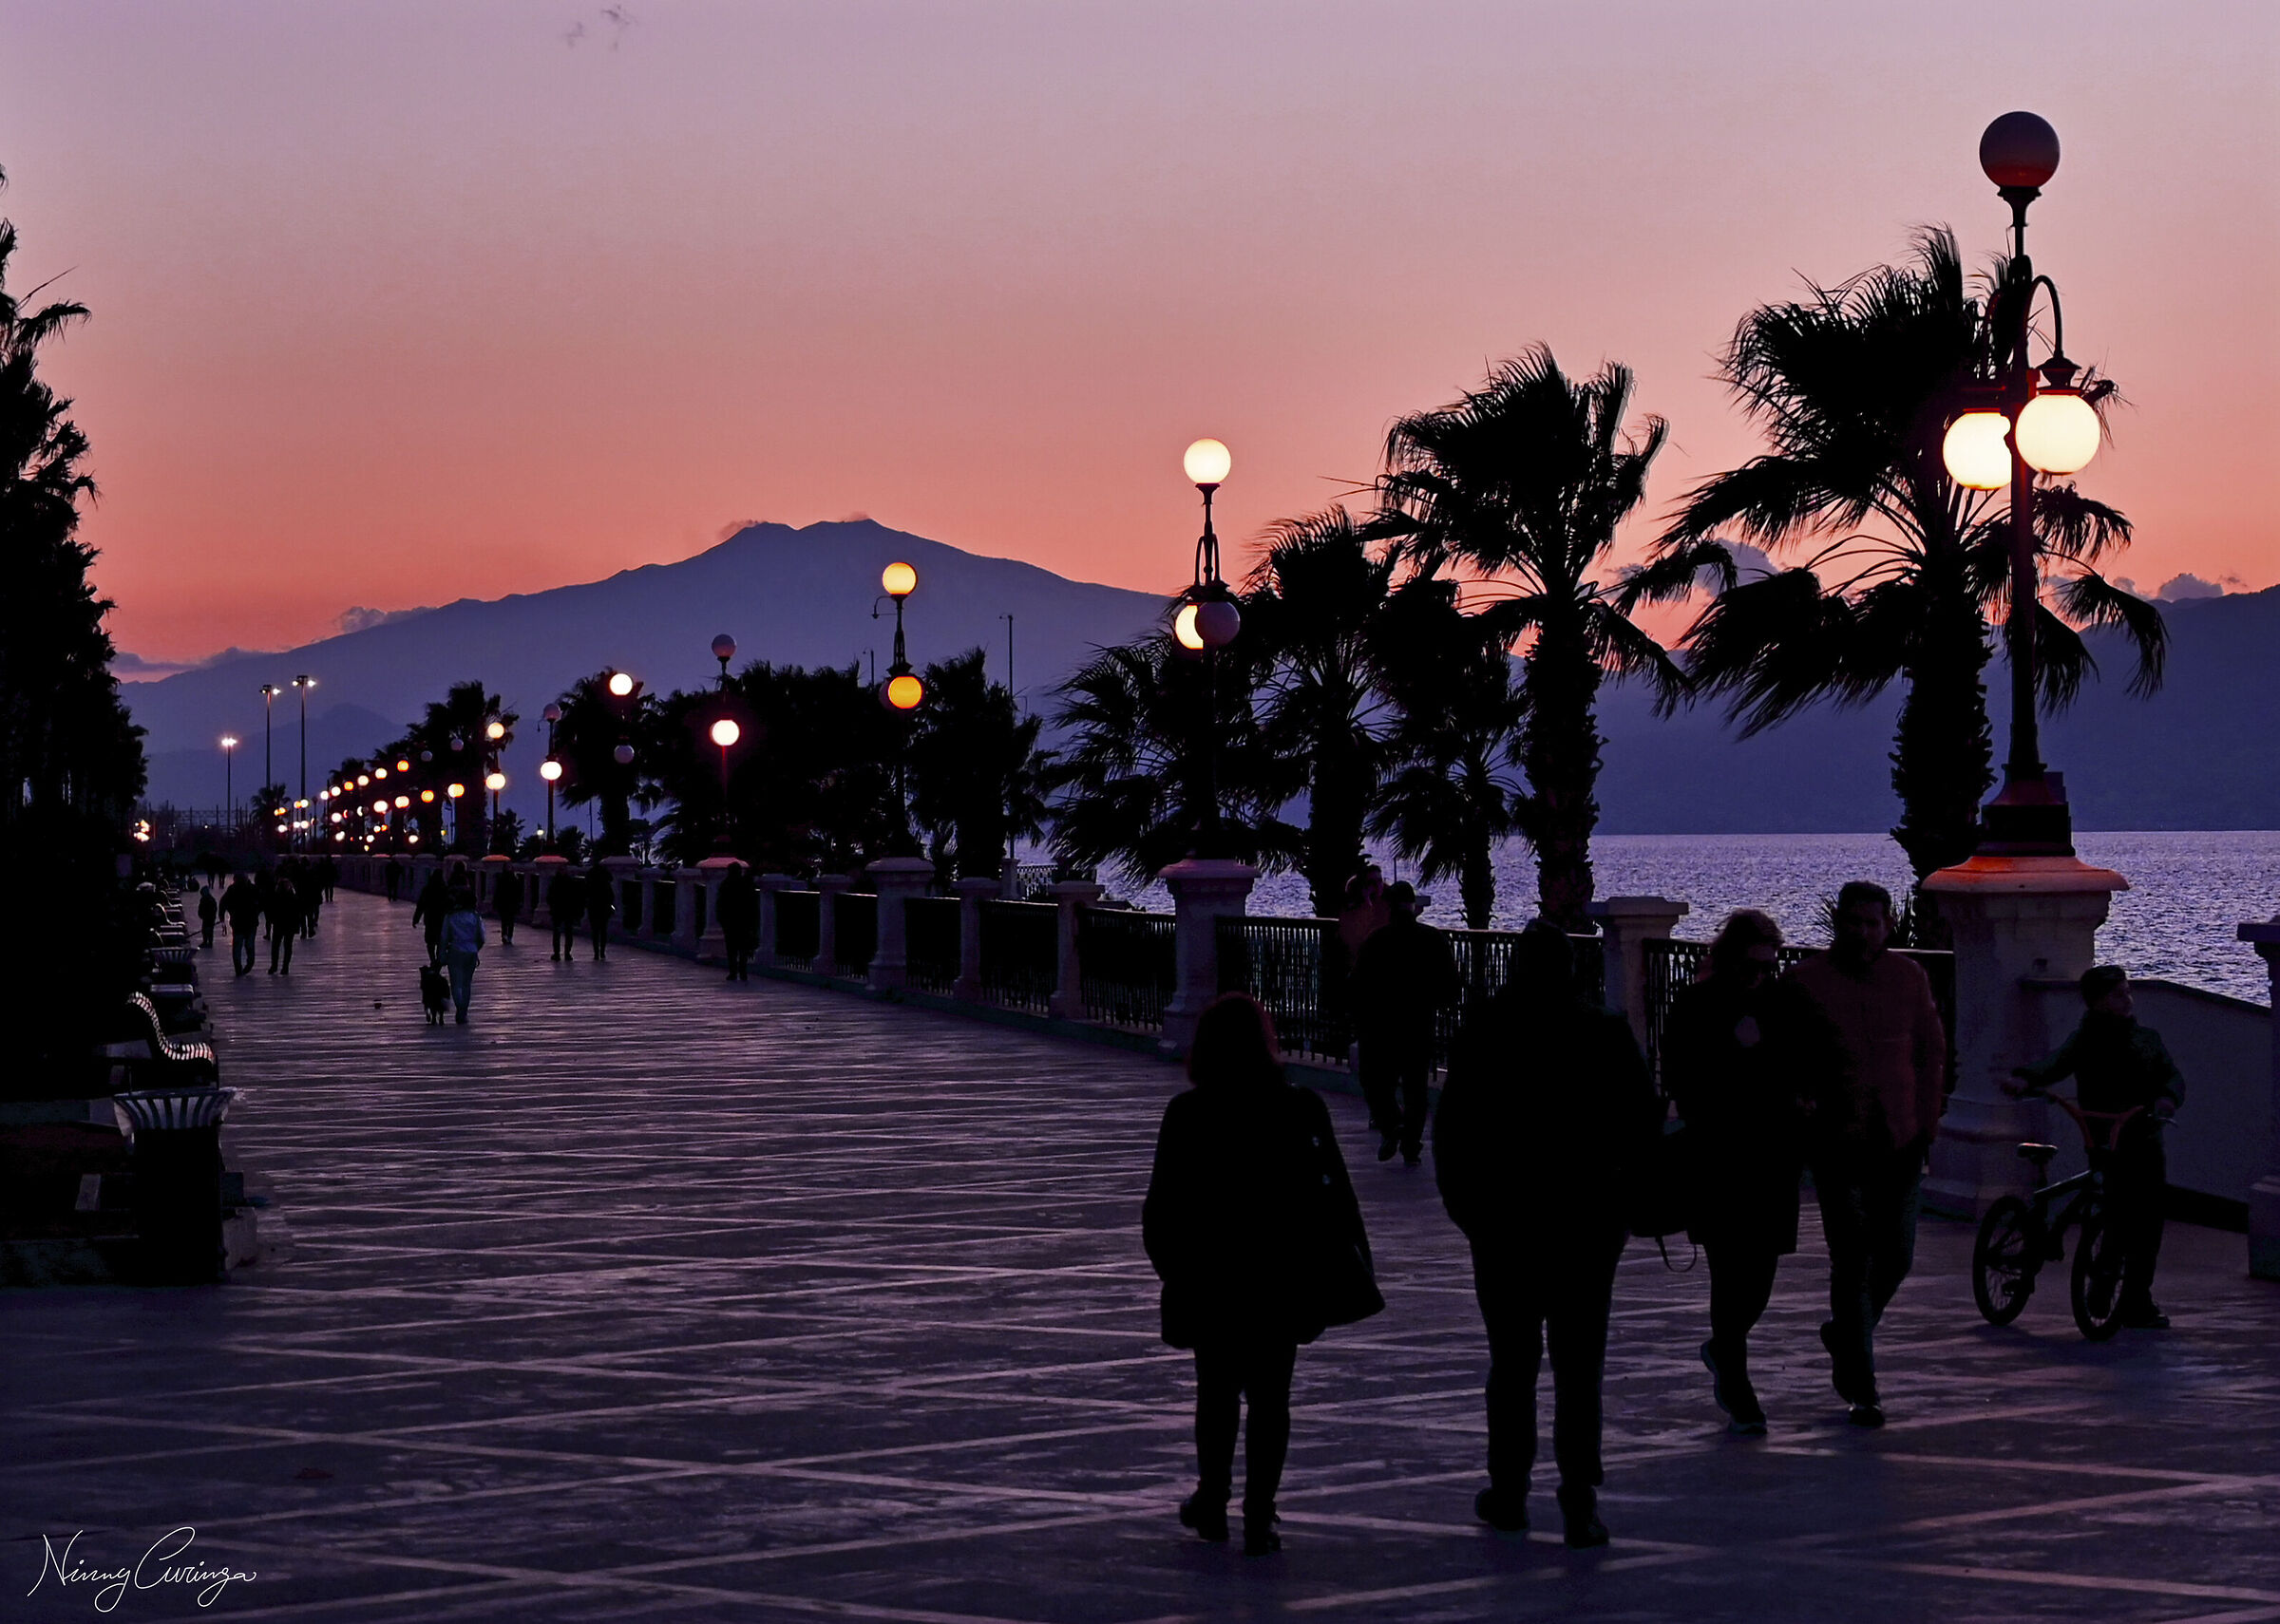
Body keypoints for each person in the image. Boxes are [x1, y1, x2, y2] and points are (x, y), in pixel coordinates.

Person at [1434, 921, 1658, 1548]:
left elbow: (1452, 1130)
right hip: (1587, 1228)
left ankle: (1508, 1491)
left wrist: (1469, 1211)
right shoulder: (1604, 1033)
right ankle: (1579, 1499)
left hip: (1504, 1227)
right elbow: (1643, 1125)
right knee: (1579, 1367)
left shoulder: (1486, 1031)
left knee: (1512, 1364)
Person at [1143, 993, 1374, 1558]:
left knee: (1215, 1393)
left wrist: (1174, 1269)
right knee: (1272, 1399)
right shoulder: (1300, 1107)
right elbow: (1333, 1196)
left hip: (1212, 1277)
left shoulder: (1188, 1113)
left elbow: (1162, 1207)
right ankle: (1260, 1514)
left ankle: (1213, 1499)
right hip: (1280, 1275)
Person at [1785, 880, 1947, 1428]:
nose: (1861, 932)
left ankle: (1846, 1335)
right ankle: (1862, 1385)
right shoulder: (1806, 982)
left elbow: (1930, 1053)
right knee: (1852, 1261)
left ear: (1889, 926)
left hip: (1899, 1138)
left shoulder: (1909, 977)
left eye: (1872, 923)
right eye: (1852, 922)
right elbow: (1783, 1052)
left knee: (1896, 1257)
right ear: (1839, 923)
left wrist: (1927, 1124)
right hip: (1837, 1140)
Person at [1662, 909, 1805, 1434]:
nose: (1759, 975)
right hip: (1719, 1156)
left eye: (1767, 965)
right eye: (1751, 965)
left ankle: (1724, 1349)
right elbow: (1679, 1068)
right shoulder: (1697, 1004)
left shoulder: (1779, 1002)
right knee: (1729, 1269)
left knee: (1761, 1271)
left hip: (1772, 1154)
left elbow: (1796, 1060)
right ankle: (1739, 1385)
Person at [2008, 966, 2183, 1330]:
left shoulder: (2147, 1039)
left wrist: (2167, 1099)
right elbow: (2054, 1063)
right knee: (2118, 1214)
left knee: (2147, 1222)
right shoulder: (2085, 1040)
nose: (2127, 1000)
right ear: (2099, 1002)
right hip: (2105, 1136)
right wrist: (2025, 1078)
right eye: (2119, 994)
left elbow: (2171, 1076)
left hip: (2144, 1137)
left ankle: (2136, 1298)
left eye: (2127, 992)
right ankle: (2108, 1289)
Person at [1349, 880, 1458, 1166]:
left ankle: (1391, 1124)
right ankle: (1411, 1142)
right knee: (1416, 1087)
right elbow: (1450, 986)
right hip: (1419, 1024)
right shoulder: (1432, 939)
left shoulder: (1376, 940)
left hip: (1382, 1026)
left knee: (1376, 1081)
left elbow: (1358, 984)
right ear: (1415, 908)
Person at [439, 882, 486, 1024]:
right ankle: (464, 1011)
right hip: (471, 951)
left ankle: (460, 1008)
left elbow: (444, 936)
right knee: (467, 983)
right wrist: (476, 948)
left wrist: (442, 954)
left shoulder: (451, 917)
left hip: (455, 951)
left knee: (456, 983)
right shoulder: (476, 917)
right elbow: (482, 937)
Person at [716, 862, 760, 981]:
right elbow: (752, 903)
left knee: (731, 948)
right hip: (743, 920)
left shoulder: (725, 884)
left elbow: (721, 903)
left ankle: (733, 972)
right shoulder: (746, 884)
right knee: (743, 948)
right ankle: (743, 972)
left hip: (730, 921)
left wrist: (721, 919)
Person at [220, 874, 262, 976]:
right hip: (249, 922)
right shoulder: (252, 889)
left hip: (239, 922)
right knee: (249, 945)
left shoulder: (233, 890)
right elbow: (262, 903)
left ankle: (239, 968)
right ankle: (247, 965)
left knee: (238, 946)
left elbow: (223, 904)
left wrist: (222, 917)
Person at [412, 871, 450, 965]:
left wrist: (416, 919)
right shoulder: (445, 889)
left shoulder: (427, 889)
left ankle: (433, 959)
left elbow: (421, 905)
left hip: (430, 919)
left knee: (430, 942)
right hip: (441, 919)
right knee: (440, 941)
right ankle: (438, 959)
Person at [546, 866, 583, 961]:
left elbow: (550, 897)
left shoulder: (554, 882)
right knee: (568, 932)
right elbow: (576, 896)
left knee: (558, 932)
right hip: (567, 910)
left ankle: (558, 953)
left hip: (558, 910)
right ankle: (567, 953)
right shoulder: (570, 881)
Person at [266, 873, 299, 974]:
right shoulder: (293, 898)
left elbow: (271, 911)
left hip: (278, 924)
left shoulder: (275, 897)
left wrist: (270, 921)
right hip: (290, 925)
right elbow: (298, 913)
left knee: (275, 946)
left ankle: (274, 965)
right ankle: (285, 967)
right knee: (288, 946)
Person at [584, 859, 616, 960]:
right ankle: (602, 951)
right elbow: (611, 894)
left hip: (593, 905)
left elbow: (586, 891)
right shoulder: (605, 879)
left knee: (595, 930)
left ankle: (596, 952)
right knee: (603, 929)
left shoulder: (590, 875)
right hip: (604, 906)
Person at [493, 865, 523, 948]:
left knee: (505, 920)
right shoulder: (515, 878)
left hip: (505, 902)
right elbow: (518, 892)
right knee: (510, 920)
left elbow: (497, 891)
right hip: (511, 902)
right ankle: (508, 936)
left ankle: (505, 935)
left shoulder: (502, 878)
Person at [195, 883, 218, 950]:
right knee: (205, 930)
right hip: (207, 917)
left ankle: (209, 942)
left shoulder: (209, 900)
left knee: (208, 930)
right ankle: (206, 942)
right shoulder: (206, 899)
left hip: (209, 917)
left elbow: (213, 909)